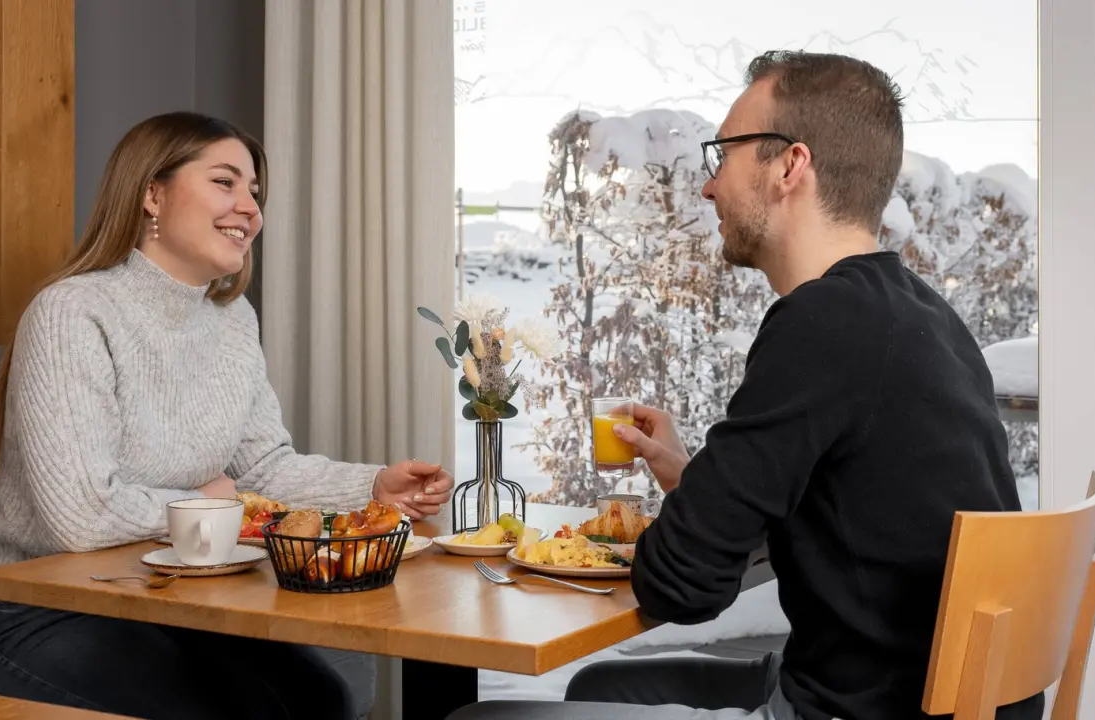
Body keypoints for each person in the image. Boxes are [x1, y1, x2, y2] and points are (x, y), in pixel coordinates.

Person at [447, 52, 1043, 720]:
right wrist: (693, 479)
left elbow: (682, 585)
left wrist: (694, 519)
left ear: (790, 165)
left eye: (723, 154)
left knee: (482, 718)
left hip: (848, 710)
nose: (709, 187)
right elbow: (850, 513)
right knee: (598, 689)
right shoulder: (922, 316)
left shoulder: (824, 322)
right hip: (904, 694)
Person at [0, 111, 454, 720]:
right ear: (151, 194)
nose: (249, 207)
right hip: (40, 615)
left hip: (167, 599)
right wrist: (211, 500)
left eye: (254, 192)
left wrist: (372, 487)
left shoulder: (232, 319)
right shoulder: (72, 313)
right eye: (225, 182)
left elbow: (261, 468)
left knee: (318, 700)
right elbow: (80, 518)